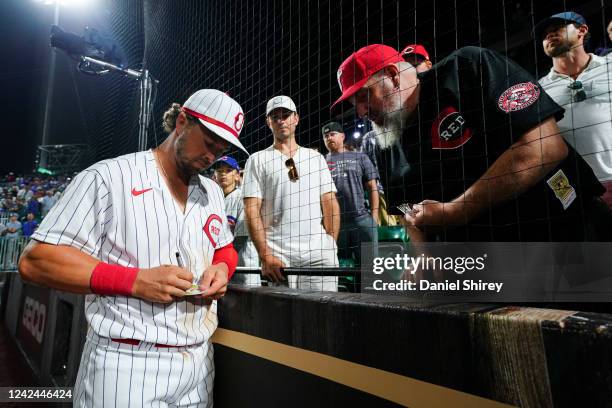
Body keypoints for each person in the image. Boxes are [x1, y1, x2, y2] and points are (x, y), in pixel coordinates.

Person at [18, 89, 246, 407]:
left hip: (198, 362)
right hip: (127, 361)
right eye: (209, 144)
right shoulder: (109, 177)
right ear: (182, 122)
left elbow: (224, 249)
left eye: (220, 151)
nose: (212, 157)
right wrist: (134, 280)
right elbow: (36, 260)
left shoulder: (211, 191)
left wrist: (222, 269)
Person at [332, 44, 612, 242]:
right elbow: (405, 209)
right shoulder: (386, 139)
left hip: (568, 229)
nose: (361, 111)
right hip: (493, 262)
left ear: (393, 77)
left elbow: (546, 147)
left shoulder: (467, 68)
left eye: (363, 96)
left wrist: (457, 209)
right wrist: (423, 255)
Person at [243, 95, 340, 291]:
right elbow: (251, 209)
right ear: (267, 121)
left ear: (296, 118)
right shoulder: (257, 159)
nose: (281, 120)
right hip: (278, 257)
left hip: (318, 254)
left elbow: (329, 201)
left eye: (285, 115)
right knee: (284, 320)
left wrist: (330, 243)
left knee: (324, 316)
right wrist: (265, 255)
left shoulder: (315, 158)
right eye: (275, 116)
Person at [537, 12, 612, 208]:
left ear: (582, 30)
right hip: (585, 193)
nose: (549, 36)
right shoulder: (539, 89)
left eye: (557, 29)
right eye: (545, 35)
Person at [322, 121, 379, 265]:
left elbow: (373, 187)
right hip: (335, 223)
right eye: (326, 136)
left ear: (342, 136)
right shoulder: (320, 162)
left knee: (370, 266)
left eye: (332, 134)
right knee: (337, 265)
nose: (329, 138)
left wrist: (374, 216)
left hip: (361, 219)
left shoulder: (360, 157)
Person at [213, 155, 260, 284]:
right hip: (222, 268)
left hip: (244, 267)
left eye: (228, 171)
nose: (223, 174)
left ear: (237, 175)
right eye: (219, 171)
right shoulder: (213, 201)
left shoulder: (242, 198)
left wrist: (222, 258)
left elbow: (241, 238)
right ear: (214, 176)